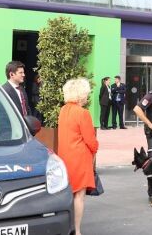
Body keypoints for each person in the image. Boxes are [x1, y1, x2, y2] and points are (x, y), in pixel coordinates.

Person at [57, 78, 98, 235]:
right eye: (86, 93)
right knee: (79, 196)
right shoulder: (83, 113)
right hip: (80, 158)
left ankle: (68, 227)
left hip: (65, 156)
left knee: (69, 193)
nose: (87, 96)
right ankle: (77, 230)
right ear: (81, 94)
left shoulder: (63, 110)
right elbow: (90, 140)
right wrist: (96, 148)